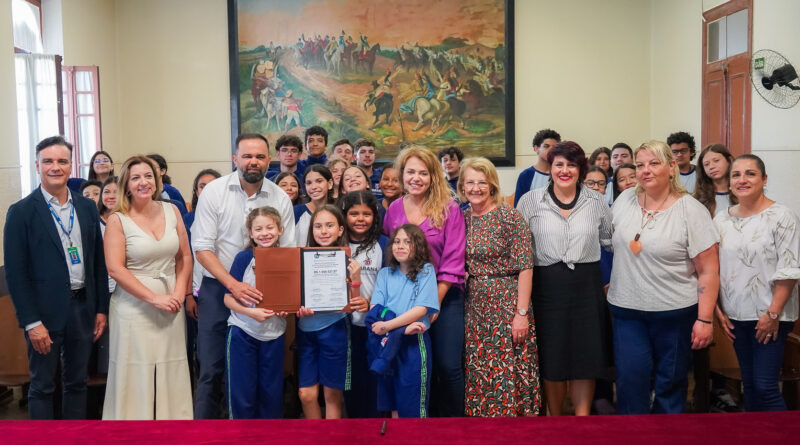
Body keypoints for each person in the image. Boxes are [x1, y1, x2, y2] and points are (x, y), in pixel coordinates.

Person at [608, 140, 719, 415]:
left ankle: (667, 433)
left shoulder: (691, 210)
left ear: (671, 168)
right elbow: (610, 244)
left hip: (674, 313)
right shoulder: (625, 200)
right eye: (640, 165)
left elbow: (708, 270)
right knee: (630, 380)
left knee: (670, 384)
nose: (645, 170)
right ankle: (633, 432)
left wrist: (705, 319)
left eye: (654, 163)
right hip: (627, 311)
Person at [191, 133, 296, 419]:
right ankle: (207, 432)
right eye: (247, 156)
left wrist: (285, 298)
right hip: (218, 287)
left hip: (266, 291)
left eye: (260, 156)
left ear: (269, 160)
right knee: (211, 367)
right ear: (235, 158)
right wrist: (233, 285)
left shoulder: (279, 197)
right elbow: (202, 248)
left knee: (262, 374)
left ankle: (259, 432)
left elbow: (288, 252)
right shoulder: (214, 191)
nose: (253, 161)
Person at [4, 136, 109, 419]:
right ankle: (42, 438)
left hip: (82, 309)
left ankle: (73, 436)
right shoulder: (21, 212)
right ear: (37, 166)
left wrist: (101, 309)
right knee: (42, 386)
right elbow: (16, 274)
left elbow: (98, 263)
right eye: (48, 161)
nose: (55, 167)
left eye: (62, 161)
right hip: (43, 314)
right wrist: (31, 322)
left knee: (77, 383)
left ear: (71, 166)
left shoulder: (86, 207)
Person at [516, 141, 612, 416]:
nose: (565, 170)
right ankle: (555, 419)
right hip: (546, 287)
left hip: (586, 286)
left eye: (572, 165)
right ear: (550, 168)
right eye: (559, 164)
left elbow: (609, 241)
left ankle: (582, 419)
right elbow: (520, 249)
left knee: (586, 357)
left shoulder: (596, 201)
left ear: (581, 169)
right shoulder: (530, 201)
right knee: (553, 357)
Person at [102, 155, 193, 419]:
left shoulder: (172, 210)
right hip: (133, 307)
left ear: (157, 180)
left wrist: (179, 292)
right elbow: (115, 269)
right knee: (135, 370)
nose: (144, 182)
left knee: (172, 365)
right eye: (136, 178)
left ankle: (173, 426)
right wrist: (154, 298)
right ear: (126, 185)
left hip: (171, 302)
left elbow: (185, 256)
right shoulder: (118, 219)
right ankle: (131, 429)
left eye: (148, 176)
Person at [383, 145, 466, 417]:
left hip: (444, 297)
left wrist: (433, 303)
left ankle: (452, 425)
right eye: (410, 172)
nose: (416, 178)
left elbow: (454, 258)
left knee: (447, 366)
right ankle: (421, 423)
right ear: (401, 174)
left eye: (423, 173)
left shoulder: (449, 209)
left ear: (433, 176)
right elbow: (392, 254)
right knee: (415, 367)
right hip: (405, 301)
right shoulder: (394, 209)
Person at [715, 154, 800, 411]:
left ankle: (785, 432)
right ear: (729, 183)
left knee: (765, 387)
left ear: (764, 179)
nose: (742, 179)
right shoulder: (721, 219)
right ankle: (754, 432)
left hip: (771, 315)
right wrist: (718, 310)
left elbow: (789, 270)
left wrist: (772, 314)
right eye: (736, 175)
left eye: (750, 174)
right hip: (735, 316)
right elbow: (713, 268)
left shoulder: (782, 216)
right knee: (749, 385)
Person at [460, 157, 541, 417]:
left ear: (492, 185)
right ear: (462, 186)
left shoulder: (509, 217)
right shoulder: (461, 218)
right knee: (479, 365)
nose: (476, 188)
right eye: (470, 182)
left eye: (482, 182)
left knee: (508, 366)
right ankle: (481, 425)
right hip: (474, 305)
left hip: (507, 303)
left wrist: (521, 314)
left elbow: (525, 267)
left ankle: (513, 425)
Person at [295, 205, 364, 419]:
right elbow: (293, 297)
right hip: (306, 331)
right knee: (306, 394)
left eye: (329, 225)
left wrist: (356, 280)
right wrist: (297, 308)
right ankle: (317, 435)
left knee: (332, 395)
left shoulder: (349, 261)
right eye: (318, 226)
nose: (323, 231)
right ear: (312, 230)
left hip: (335, 329)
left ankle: (330, 436)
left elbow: (354, 304)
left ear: (340, 229)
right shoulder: (300, 258)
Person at [224, 206, 289, 419]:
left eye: (270, 227)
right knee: (242, 393)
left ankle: (269, 434)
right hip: (243, 331)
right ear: (251, 233)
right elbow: (227, 298)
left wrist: (286, 310)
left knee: (271, 394)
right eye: (258, 229)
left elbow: (291, 297)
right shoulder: (243, 258)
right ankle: (241, 434)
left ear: (280, 229)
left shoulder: (288, 258)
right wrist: (251, 313)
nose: (264, 233)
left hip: (274, 335)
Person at [370, 224, 440, 418]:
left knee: (413, 405)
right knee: (393, 403)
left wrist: (391, 326)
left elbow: (421, 309)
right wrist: (400, 329)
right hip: (389, 343)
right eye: (397, 241)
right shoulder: (385, 274)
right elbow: (376, 308)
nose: (400, 246)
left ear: (418, 246)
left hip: (414, 344)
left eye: (407, 242)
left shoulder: (426, 271)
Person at [341, 190, 388, 418]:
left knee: (375, 379)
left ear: (375, 216)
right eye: (354, 214)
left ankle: (376, 426)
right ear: (344, 216)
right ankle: (354, 427)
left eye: (366, 214)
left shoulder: (384, 244)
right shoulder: (336, 244)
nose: (360, 219)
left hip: (376, 324)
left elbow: (392, 284)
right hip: (344, 325)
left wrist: (371, 303)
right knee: (352, 380)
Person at [182, 168, 221, 387]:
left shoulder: (227, 214)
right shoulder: (188, 219)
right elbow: (185, 259)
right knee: (203, 350)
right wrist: (189, 295)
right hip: (197, 289)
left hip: (222, 289)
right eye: (202, 186)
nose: (206, 190)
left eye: (212, 185)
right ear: (196, 191)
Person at [513, 129, 561, 206]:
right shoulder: (526, 175)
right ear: (536, 148)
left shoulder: (562, 173)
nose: (551, 150)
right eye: (546, 146)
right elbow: (519, 207)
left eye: (555, 147)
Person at [295, 164, 335, 247]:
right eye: (309, 183)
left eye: (319, 181)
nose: (313, 187)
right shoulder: (296, 211)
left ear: (330, 183)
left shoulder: (338, 211)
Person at [694, 144, 736, 216]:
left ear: (729, 160)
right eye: (706, 164)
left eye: (716, 161)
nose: (711, 167)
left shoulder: (742, 193)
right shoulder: (698, 198)